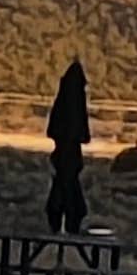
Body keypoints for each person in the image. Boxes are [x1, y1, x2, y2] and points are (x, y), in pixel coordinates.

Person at [43, 59, 91, 234]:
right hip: (68, 157)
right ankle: (69, 226)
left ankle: (60, 224)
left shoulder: (64, 99)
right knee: (69, 195)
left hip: (63, 156)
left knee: (63, 193)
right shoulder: (76, 99)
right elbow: (82, 135)